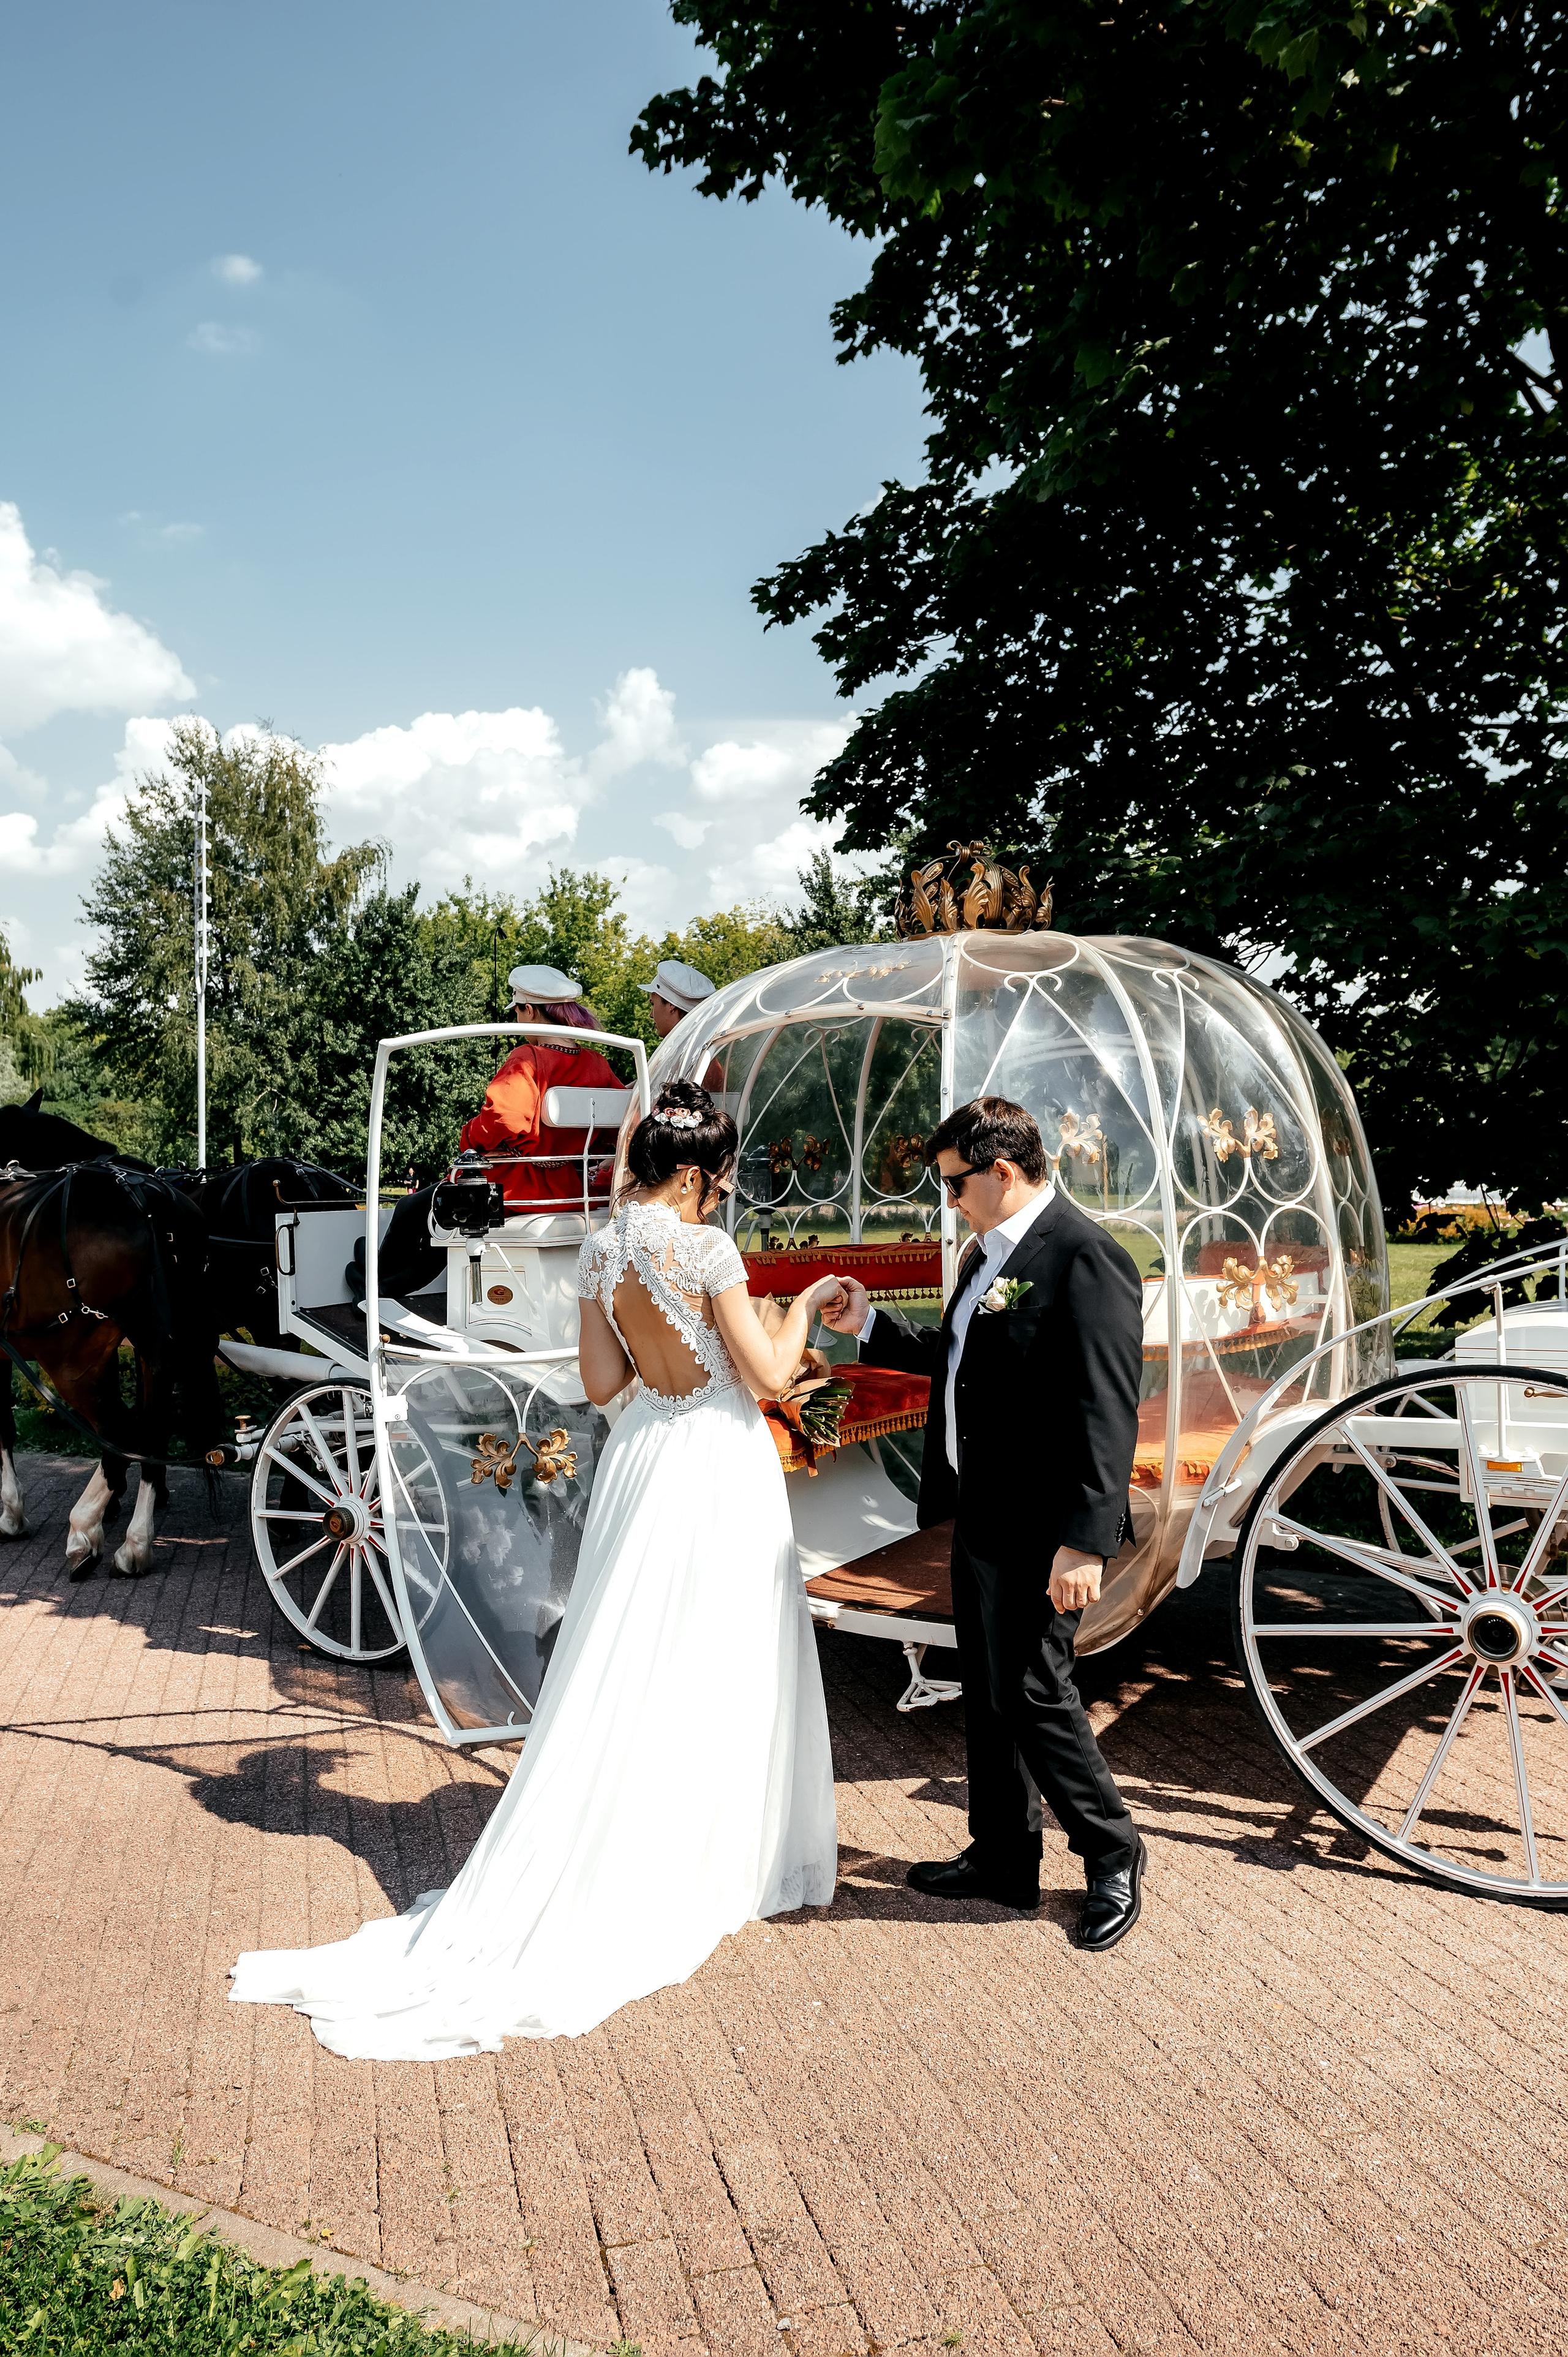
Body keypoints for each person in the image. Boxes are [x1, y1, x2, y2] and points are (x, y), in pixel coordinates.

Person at [230, 1077, 842, 2054]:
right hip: (718, 1461)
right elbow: (769, 1376)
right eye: (718, 1181)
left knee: (633, 1656)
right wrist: (803, 1307)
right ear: (691, 1175)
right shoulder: (709, 1248)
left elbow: (603, 1385)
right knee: (722, 1652)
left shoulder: (605, 1248)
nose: (722, 1197)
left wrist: (670, 1362)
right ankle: (711, 1850)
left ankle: (643, 1838)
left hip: (646, 1458)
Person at [820, 1095, 1147, 1952]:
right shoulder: (986, 1257)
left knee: (1037, 1693)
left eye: (956, 1184)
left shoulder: (1085, 1258)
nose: (950, 1199)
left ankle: (1113, 1853)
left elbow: (1106, 1410)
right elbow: (963, 1366)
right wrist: (870, 1326)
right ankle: (1002, 1856)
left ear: (1002, 1172)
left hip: (1045, 1525)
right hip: (980, 1515)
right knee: (991, 1694)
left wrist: (1089, 1537)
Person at [459, 965, 627, 1211]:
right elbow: (619, 1124)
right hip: (571, 1192)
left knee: (410, 1210)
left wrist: (469, 1136)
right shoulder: (597, 1064)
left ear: (528, 1011)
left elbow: (504, 1118)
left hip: (514, 1190)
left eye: (516, 1011)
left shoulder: (527, 1058)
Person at [641, 957, 724, 1090]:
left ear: (671, 1005)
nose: (651, 1014)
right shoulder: (699, 1052)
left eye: (653, 1004)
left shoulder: (689, 1058)